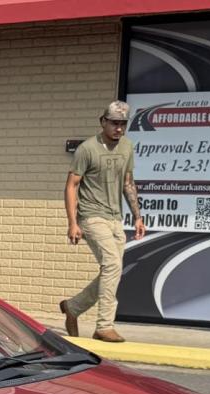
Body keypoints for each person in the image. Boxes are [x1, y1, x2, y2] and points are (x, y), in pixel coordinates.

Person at [61, 101, 146, 343]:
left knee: (113, 271)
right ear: (103, 122)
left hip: (115, 218)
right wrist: (72, 223)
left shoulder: (127, 147)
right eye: (114, 123)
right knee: (112, 265)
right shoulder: (87, 149)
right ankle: (104, 326)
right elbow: (71, 186)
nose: (119, 128)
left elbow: (128, 183)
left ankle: (73, 307)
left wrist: (137, 217)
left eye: (123, 124)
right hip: (91, 216)